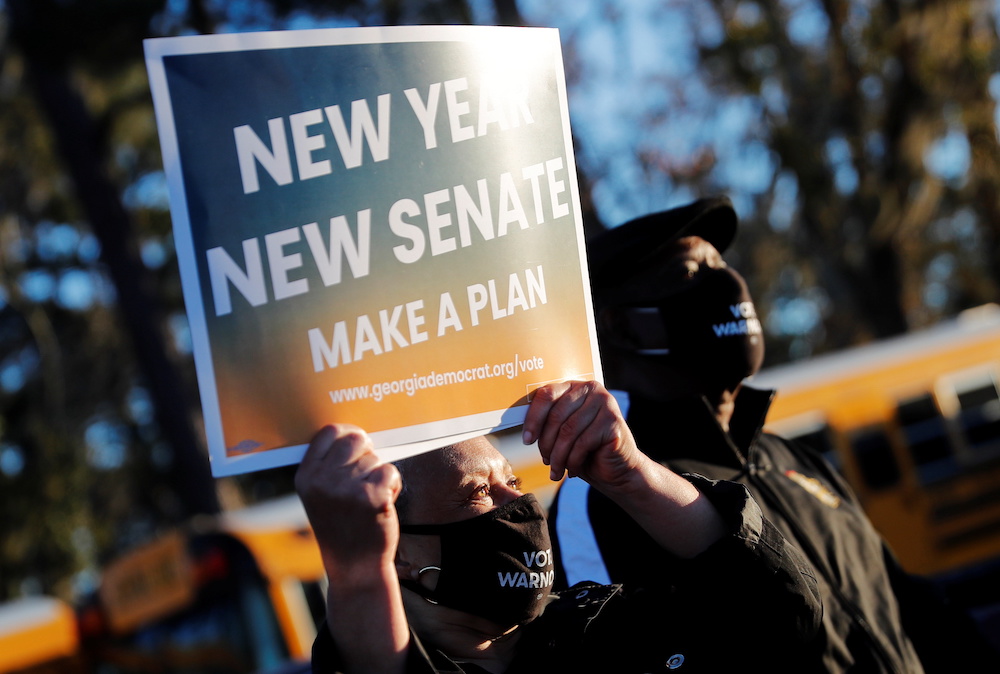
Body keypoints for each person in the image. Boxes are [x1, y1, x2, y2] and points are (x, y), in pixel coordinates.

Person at [548, 196, 1000, 672]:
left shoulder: (793, 458)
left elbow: (910, 605)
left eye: (721, 263)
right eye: (689, 272)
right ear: (624, 328)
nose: (726, 282)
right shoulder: (606, 497)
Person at [296, 380, 822, 673]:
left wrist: (632, 473)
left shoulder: (609, 634)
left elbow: (782, 616)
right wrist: (359, 575)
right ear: (400, 552)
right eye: (477, 492)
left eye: (514, 481)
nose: (518, 503)